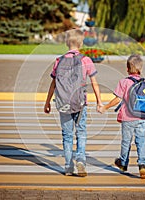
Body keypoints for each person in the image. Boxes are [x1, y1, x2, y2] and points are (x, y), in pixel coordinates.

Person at [44, 28, 103, 177]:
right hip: (80, 103)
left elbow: (53, 84)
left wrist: (47, 102)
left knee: (67, 135)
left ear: (66, 43)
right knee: (81, 133)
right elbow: (94, 83)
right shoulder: (86, 60)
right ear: (81, 43)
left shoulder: (59, 61)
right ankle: (81, 160)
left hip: (63, 103)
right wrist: (99, 102)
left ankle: (68, 166)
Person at [99, 54, 145, 179]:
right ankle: (142, 165)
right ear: (140, 69)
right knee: (140, 142)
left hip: (128, 118)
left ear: (127, 68)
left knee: (126, 141)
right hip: (141, 117)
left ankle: (123, 163)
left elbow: (117, 99)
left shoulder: (124, 82)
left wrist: (105, 107)